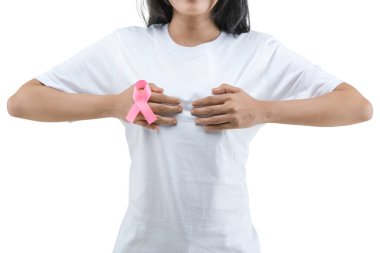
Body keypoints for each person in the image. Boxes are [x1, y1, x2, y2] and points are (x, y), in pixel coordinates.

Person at [7, 0, 373, 252]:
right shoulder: (126, 46)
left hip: (229, 244)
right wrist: (114, 105)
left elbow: (356, 106)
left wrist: (261, 110)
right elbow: (23, 101)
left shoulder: (259, 52)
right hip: (143, 244)